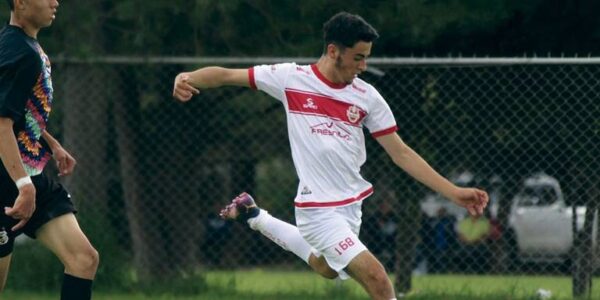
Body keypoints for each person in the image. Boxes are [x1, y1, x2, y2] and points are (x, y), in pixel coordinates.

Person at [173, 11, 488, 300]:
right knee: (377, 279)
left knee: (327, 268)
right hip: (316, 209)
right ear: (334, 50)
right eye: (358, 58)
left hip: (351, 205)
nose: (363, 66)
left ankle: (255, 216)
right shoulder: (290, 79)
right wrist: (187, 78)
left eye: (366, 58)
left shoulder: (367, 97)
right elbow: (228, 75)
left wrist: (454, 192)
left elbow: (401, 153)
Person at [0, 1, 99, 299]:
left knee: (83, 259)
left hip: (27, 175)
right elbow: (1, 124)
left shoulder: (27, 46)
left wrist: (51, 144)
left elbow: (19, 111)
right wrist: (22, 185)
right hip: (9, 180)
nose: (55, 1)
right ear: (20, 2)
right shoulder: (19, 51)